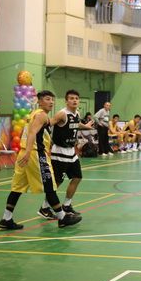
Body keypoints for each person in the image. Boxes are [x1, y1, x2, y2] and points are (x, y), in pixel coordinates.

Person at [0, 90, 82, 230]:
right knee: (50, 185)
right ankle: (62, 217)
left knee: (17, 188)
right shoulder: (41, 115)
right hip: (35, 153)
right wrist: (29, 151)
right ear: (39, 101)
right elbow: (32, 133)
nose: (51, 102)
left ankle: (6, 218)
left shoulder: (34, 114)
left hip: (25, 152)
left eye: (52, 99)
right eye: (47, 99)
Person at [37, 89, 94, 219]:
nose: (74, 100)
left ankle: (67, 205)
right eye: (71, 98)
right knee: (57, 182)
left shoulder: (76, 113)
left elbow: (75, 124)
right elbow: (48, 123)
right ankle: (44, 208)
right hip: (59, 153)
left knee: (77, 177)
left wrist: (86, 126)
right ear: (66, 101)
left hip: (71, 152)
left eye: (76, 98)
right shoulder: (62, 114)